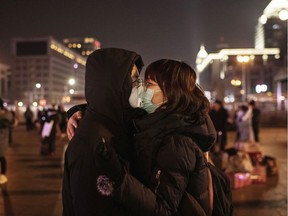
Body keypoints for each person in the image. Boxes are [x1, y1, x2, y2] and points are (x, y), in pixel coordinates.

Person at [66, 59, 217, 215]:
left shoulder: (178, 143)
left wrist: (119, 178)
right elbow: (118, 111)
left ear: (171, 92)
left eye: (149, 84)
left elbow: (162, 209)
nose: (142, 88)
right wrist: (82, 111)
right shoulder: (158, 123)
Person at [62, 48, 145, 216]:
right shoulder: (91, 145)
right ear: (115, 85)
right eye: (135, 80)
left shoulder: (117, 126)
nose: (140, 87)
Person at [0, 98, 13, 184]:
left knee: (1, 157)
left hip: (2, 141)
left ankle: (3, 175)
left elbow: (6, 124)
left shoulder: (6, 116)